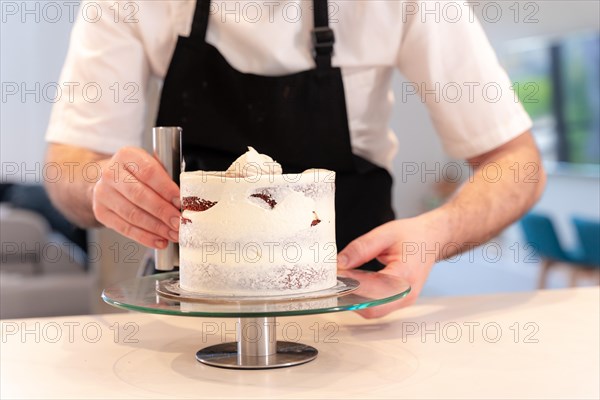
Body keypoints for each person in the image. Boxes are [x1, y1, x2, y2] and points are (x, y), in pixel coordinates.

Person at [44, 0, 546, 317]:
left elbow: (516, 160)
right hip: (192, 311)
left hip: (354, 308)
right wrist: (97, 184)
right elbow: (68, 162)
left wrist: (438, 233)